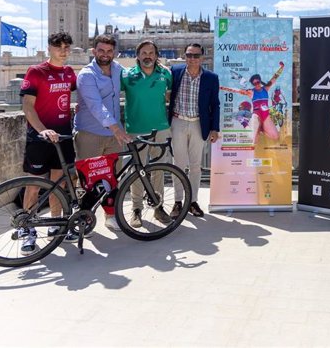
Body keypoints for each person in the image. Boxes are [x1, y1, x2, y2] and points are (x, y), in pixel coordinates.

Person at [17, 32, 77, 255]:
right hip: (40, 137)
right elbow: (28, 106)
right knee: (33, 184)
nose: (63, 50)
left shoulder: (70, 73)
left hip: (63, 136)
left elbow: (67, 99)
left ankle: (55, 225)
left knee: (58, 183)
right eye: (58, 46)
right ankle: (28, 229)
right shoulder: (36, 71)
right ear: (49, 48)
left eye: (66, 46)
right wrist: (43, 130)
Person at [73, 34, 131, 232]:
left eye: (109, 51)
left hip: (113, 136)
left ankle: (110, 215)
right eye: (101, 51)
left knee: (112, 177)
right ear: (94, 51)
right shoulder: (86, 74)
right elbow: (96, 106)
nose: (105, 55)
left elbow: (133, 78)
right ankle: (84, 219)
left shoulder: (117, 69)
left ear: (114, 53)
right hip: (90, 133)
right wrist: (116, 128)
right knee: (88, 179)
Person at [120, 39, 173, 228]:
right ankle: (136, 209)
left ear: (157, 56)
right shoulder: (126, 75)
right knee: (138, 170)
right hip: (136, 129)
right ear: (138, 56)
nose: (148, 56)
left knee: (159, 168)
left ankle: (158, 207)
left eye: (151, 53)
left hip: (160, 128)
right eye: (144, 53)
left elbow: (170, 96)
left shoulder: (165, 74)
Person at [167, 43, 220, 219]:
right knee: (179, 164)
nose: (192, 59)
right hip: (178, 122)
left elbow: (215, 104)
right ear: (184, 56)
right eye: (189, 55)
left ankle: (193, 201)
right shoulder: (175, 72)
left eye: (196, 56)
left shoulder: (211, 78)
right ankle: (178, 201)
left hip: (199, 124)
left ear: (202, 58)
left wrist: (214, 128)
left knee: (195, 166)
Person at [220, 62, 285, 143]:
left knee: (276, 137)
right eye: (254, 83)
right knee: (254, 140)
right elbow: (237, 90)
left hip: (265, 116)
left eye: (258, 82)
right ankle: (244, 122)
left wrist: (281, 68)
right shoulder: (251, 92)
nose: (256, 84)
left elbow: (275, 77)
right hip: (256, 116)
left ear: (260, 81)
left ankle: (262, 129)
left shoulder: (266, 88)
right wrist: (222, 87)